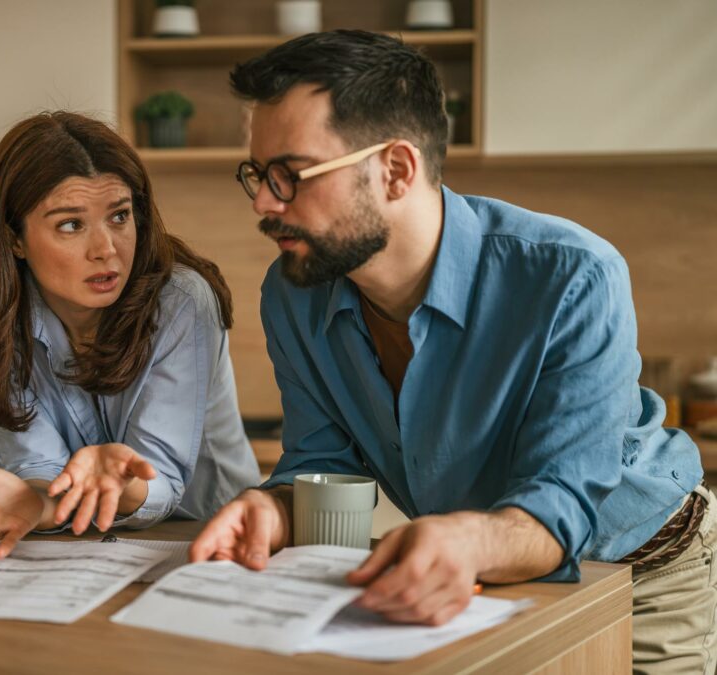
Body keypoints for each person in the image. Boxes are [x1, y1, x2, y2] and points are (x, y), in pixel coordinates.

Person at [189, 30, 715, 673]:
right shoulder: (292, 291)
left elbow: (560, 501)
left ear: (397, 170)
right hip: (486, 574)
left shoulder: (573, 275)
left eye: (291, 175)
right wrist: (272, 509)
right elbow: (322, 465)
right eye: (258, 175)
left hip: (645, 571)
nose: (265, 205)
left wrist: (465, 538)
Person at [0, 111, 259, 560]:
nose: (106, 249)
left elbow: (162, 485)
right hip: (84, 549)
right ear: (15, 239)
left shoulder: (182, 302)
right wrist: (35, 502)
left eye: (119, 216)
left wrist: (120, 480)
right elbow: (38, 471)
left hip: (211, 536)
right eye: (71, 224)